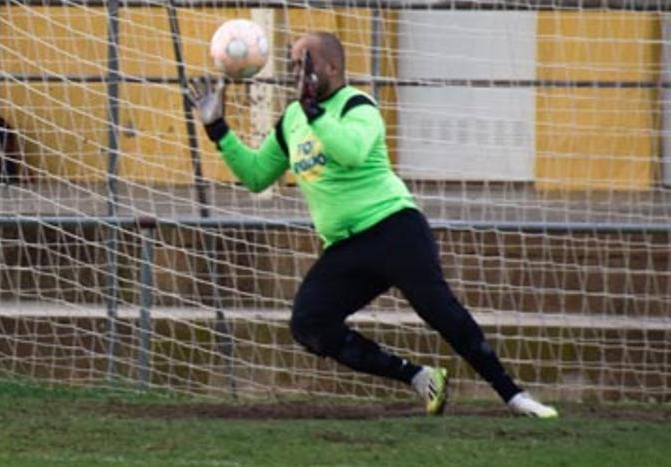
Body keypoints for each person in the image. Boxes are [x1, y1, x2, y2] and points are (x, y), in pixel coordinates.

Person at [187, 31, 558, 418]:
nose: (298, 71)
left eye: (306, 62)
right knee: (310, 324)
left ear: (331, 66)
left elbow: (349, 153)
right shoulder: (293, 119)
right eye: (294, 63)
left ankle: (515, 397)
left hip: (394, 230)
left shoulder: (358, 106)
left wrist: (316, 113)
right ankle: (418, 377)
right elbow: (256, 176)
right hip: (345, 247)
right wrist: (218, 129)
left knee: (440, 312)